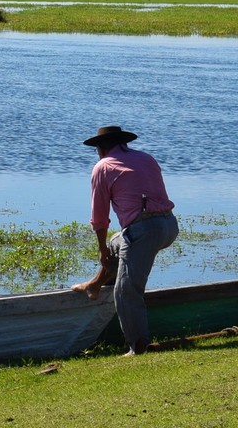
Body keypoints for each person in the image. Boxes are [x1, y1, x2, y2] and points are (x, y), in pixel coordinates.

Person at [71, 125, 178, 355]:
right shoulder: (146, 158)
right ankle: (95, 285)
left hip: (145, 230)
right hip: (169, 225)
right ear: (123, 144)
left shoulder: (103, 167)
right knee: (116, 243)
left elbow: (99, 218)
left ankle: (137, 347)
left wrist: (101, 251)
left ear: (100, 149)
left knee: (127, 291)